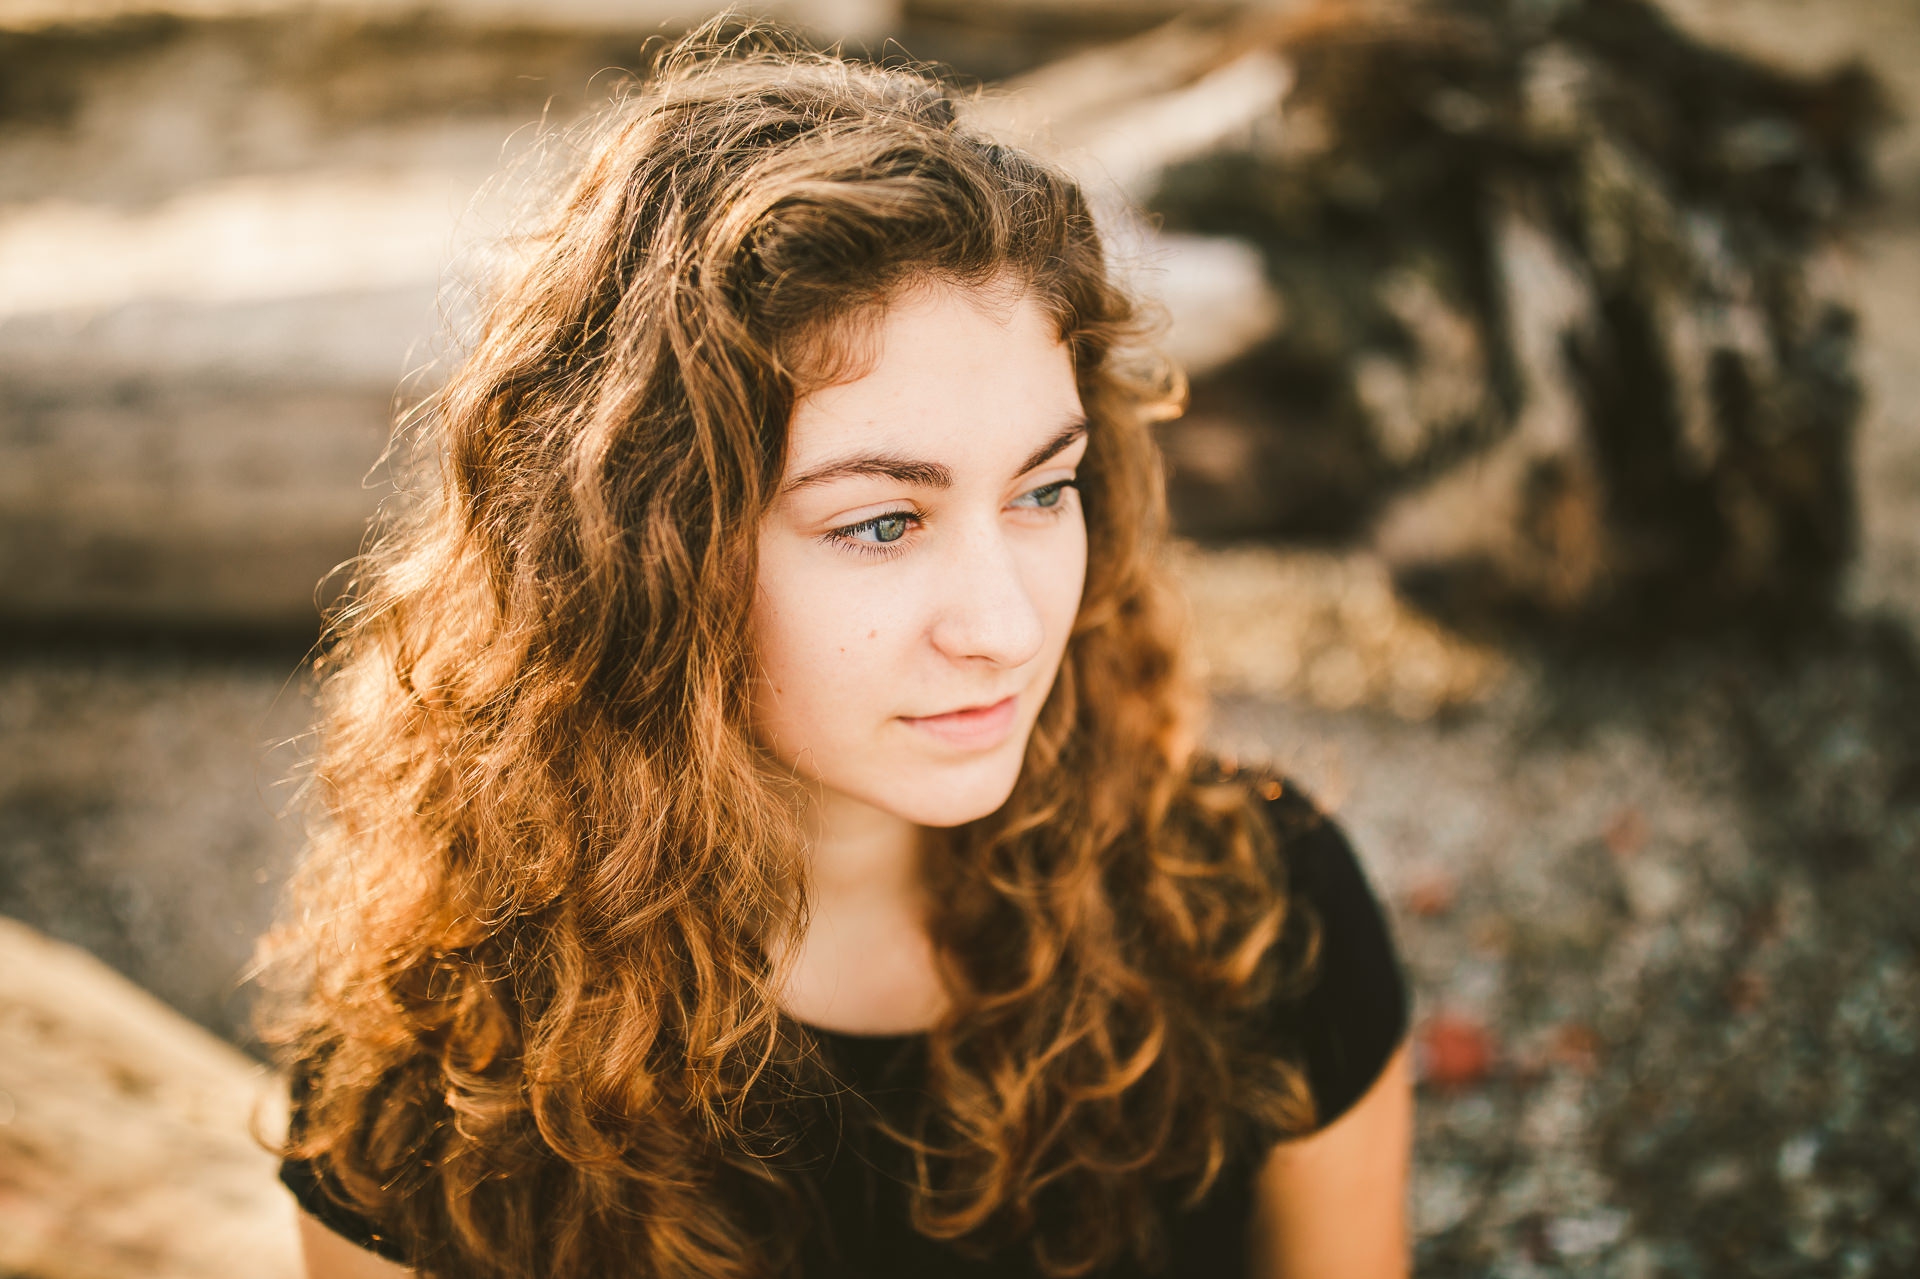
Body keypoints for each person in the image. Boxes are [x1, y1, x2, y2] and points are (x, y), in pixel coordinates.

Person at [266, 20, 1411, 1279]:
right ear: (646, 552)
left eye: (1043, 491)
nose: (1009, 626)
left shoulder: (1256, 920)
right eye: (880, 521)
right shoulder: (440, 1062)